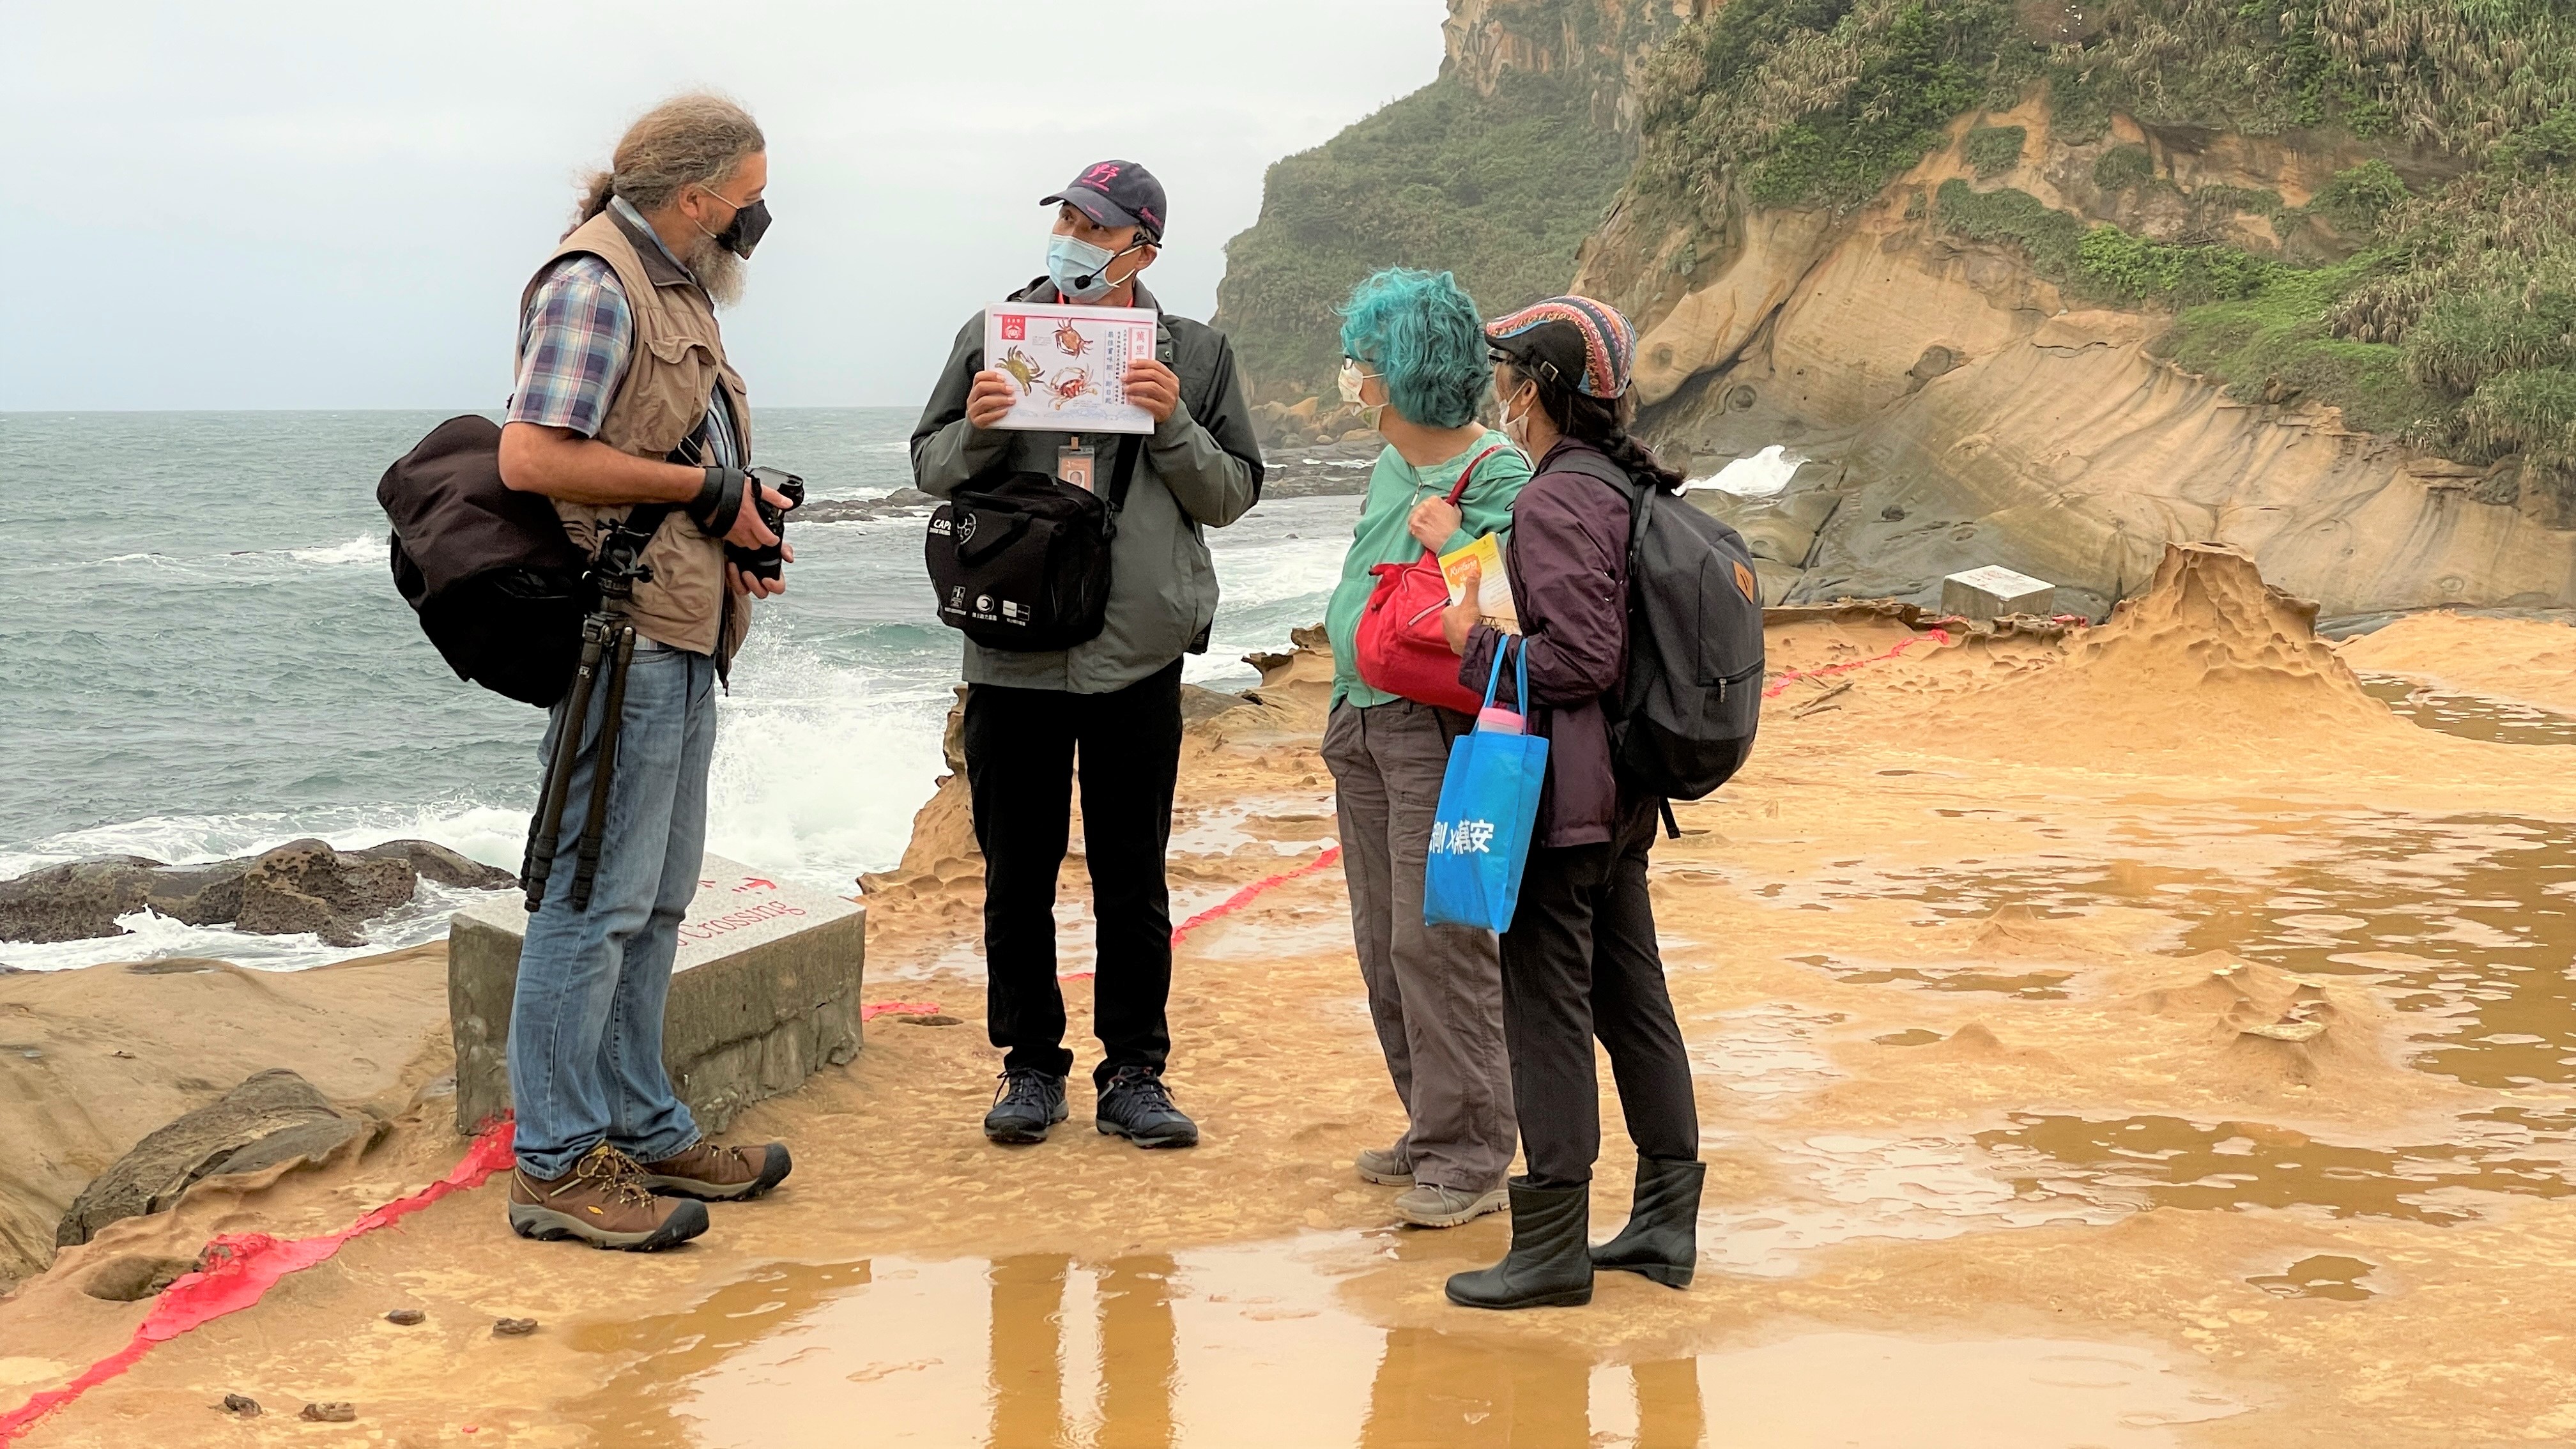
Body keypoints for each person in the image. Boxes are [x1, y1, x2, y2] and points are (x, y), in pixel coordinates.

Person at [494, 93, 796, 1250]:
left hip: (682, 627)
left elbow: (669, 446)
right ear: (698, 197)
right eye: (751, 195)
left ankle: (640, 1120)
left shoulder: (673, 286)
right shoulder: (596, 282)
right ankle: (559, 1163)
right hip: (620, 640)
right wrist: (704, 496)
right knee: (589, 901)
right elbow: (534, 454)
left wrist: (739, 520)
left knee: (658, 898)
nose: (758, 217)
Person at [912, 160, 1264, 1150]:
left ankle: (1135, 1073)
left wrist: (1173, 420)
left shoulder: (1196, 353)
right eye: (1065, 215)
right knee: (1016, 874)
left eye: (1093, 224)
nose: (1069, 234)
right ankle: (1028, 1068)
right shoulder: (994, 335)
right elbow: (929, 466)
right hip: (1013, 651)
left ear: (1142, 250)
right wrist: (980, 430)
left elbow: (1231, 495)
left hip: (1135, 657)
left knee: (1131, 873)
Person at [1437, 296, 1704, 1309]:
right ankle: (1665, 1222)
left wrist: (1479, 639)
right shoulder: (1622, 484)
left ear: (1539, 389)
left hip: (1563, 800)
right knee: (1633, 1001)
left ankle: (1552, 1243)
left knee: (1546, 1011)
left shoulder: (1554, 501)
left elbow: (1582, 658)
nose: (1499, 392)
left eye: (1509, 373)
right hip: (1625, 797)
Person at [1319, 268, 1531, 1228]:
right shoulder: (1389, 461)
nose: (1352, 379)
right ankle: (1431, 1126)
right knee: (1380, 941)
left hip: (1433, 729)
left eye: (1362, 363)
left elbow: (1504, 615)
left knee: (1436, 939)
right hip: (1359, 716)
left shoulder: (1495, 473)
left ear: (1400, 374)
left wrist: (1452, 543)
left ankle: (1473, 1155)